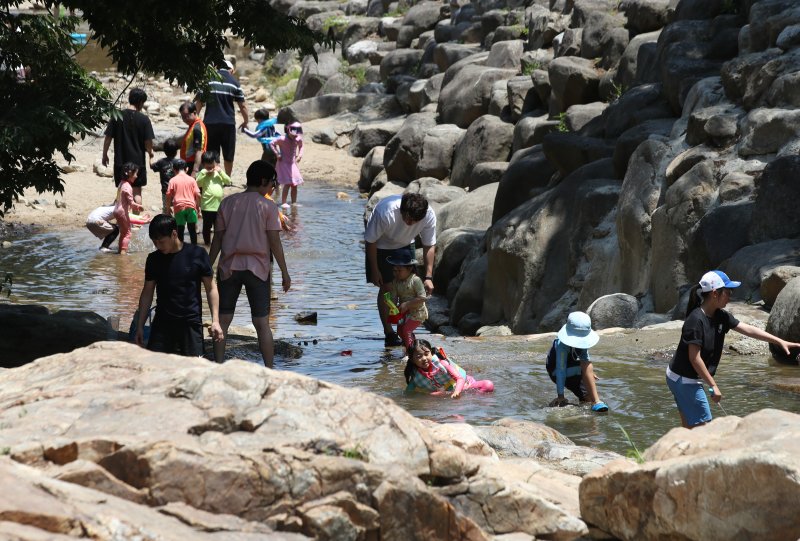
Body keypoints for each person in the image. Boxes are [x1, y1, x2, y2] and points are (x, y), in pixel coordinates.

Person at [666, 270, 800, 428]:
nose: (730, 297)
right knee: (705, 429)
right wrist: (713, 385)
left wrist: (779, 341)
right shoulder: (695, 321)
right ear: (715, 294)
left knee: (689, 428)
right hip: (684, 380)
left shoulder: (720, 316)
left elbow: (748, 329)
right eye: (728, 292)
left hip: (682, 376)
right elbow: (694, 359)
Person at [209, 160, 291, 367]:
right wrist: (284, 272)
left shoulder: (227, 203)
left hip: (228, 268)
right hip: (259, 270)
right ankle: (269, 369)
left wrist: (207, 267)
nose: (274, 186)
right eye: (273, 182)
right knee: (262, 324)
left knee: (223, 322)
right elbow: (274, 242)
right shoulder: (268, 206)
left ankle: (218, 365)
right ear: (263, 181)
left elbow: (217, 240)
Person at [134, 214, 223, 357]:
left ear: (174, 234)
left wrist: (216, 321)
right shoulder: (154, 259)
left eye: (161, 242)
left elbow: (211, 288)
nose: (158, 246)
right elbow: (147, 293)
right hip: (162, 324)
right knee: (155, 370)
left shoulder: (197, 254)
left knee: (195, 370)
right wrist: (140, 325)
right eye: (154, 242)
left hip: (190, 323)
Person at [364, 193, 436, 346]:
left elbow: (429, 244)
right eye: (407, 218)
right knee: (388, 289)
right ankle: (389, 332)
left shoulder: (428, 215)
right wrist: (375, 270)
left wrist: (429, 277)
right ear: (401, 210)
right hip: (380, 245)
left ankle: (403, 331)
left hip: (405, 244)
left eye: (414, 221)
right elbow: (370, 241)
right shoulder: (386, 212)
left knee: (408, 288)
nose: (410, 223)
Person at [194, 59, 248, 176]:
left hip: (210, 123)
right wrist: (246, 121)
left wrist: (196, 119)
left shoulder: (208, 81)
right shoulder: (235, 83)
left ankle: (213, 176)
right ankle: (227, 178)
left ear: (217, 68)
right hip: (228, 123)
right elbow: (242, 106)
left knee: (212, 151)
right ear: (231, 70)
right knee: (228, 152)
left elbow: (199, 102)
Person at [546, 311, 609, 412]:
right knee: (585, 367)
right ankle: (596, 401)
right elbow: (560, 369)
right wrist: (560, 396)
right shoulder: (562, 346)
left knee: (587, 398)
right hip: (556, 371)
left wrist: (589, 372)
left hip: (572, 367)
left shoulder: (583, 344)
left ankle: (595, 402)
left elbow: (585, 359)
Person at [102, 88, 154, 207]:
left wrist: (104, 154)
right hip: (138, 163)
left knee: (122, 191)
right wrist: (151, 154)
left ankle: (123, 220)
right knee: (137, 191)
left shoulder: (117, 116)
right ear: (140, 102)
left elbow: (108, 138)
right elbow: (148, 142)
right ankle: (136, 222)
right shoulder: (144, 120)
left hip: (121, 161)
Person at [404, 338, 494, 398]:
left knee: (488, 385)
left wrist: (457, 392)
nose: (424, 358)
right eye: (419, 356)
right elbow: (408, 393)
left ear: (431, 353)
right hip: (445, 392)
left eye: (426, 354)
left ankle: (474, 398)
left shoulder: (442, 364)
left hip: (463, 385)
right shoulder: (416, 375)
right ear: (412, 360)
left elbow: (460, 378)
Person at [386, 251, 428, 348]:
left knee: (406, 330)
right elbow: (394, 297)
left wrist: (408, 304)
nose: (396, 273)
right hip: (404, 313)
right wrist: (391, 305)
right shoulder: (396, 282)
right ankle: (412, 346)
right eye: (394, 270)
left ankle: (410, 353)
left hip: (417, 312)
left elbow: (422, 298)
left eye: (399, 270)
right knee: (400, 331)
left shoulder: (415, 280)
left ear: (409, 269)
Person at [195, 151, 232, 245]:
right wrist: (204, 172)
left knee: (218, 227)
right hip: (207, 206)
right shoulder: (202, 174)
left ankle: (217, 243)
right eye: (208, 167)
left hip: (218, 206)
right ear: (203, 165)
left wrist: (221, 172)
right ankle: (207, 243)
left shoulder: (218, 173)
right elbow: (197, 183)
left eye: (212, 166)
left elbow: (228, 181)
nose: (210, 169)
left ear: (215, 163)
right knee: (207, 227)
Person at [165, 158, 201, 245]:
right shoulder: (192, 180)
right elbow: (198, 195)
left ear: (174, 169)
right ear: (187, 169)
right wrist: (198, 207)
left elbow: (168, 196)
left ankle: (180, 250)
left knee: (180, 230)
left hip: (178, 207)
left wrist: (168, 208)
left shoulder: (172, 180)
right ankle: (194, 249)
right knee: (192, 230)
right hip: (191, 207)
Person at [269, 121, 304, 208]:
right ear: (288, 130)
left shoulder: (298, 139)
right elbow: (271, 143)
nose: (296, 135)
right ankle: (284, 202)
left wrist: (299, 155)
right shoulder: (282, 139)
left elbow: (301, 146)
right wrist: (277, 154)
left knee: (294, 184)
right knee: (288, 183)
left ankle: (293, 202)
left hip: (292, 164)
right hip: (283, 163)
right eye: (294, 132)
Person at [113, 162, 143, 255]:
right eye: (135, 173)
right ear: (130, 173)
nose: (137, 176)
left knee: (123, 232)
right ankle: (123, 254)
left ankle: (119, 251)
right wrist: (139, 207)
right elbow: (131, 203)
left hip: (116, 210)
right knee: (128, 233)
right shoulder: (128, 186)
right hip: (122, 212)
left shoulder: (121, 183)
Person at [150, 137, 180, 213]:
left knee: (166, 209)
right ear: (176, 152)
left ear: (164, 151)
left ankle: (167, 222)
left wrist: (151, 157)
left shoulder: (161, 162)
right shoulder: (179, 162)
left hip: (166, 191)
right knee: (177, 208)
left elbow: (151, 166)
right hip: (177, 190)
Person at [178, 101, 207, 176]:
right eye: (182, 117)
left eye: (186, 116)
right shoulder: (192, 125)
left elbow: (199, 151)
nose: (184, 119)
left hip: (194, 164)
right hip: (189, 163)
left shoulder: (197, 128)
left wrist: (195, 170)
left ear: (194, 112)